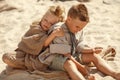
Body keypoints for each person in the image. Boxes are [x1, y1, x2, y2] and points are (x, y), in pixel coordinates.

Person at [43, 3, 120, 80]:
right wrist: (80, 67)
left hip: (72, 54)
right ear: (69, 19)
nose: (79, 30)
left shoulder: (78, 29)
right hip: (56, 58)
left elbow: (79, 45)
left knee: (93, 55)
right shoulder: (59, 30)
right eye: (77, 27)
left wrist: (91, 50)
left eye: (81, 28)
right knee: (70, 64)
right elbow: (66, 54)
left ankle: (114, 73)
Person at [2, 5, 65, 72]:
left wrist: (55, 33)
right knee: (6, 57)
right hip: (25, 53)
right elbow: (43, 44)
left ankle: (28, 66)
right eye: (45, 20)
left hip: (39, 58)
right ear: (42, 17)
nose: (46, 24)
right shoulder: (36, 27)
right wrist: (53, 34)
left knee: (41, 63)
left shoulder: (54, 30)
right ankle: (25, 65)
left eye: (51, 23)